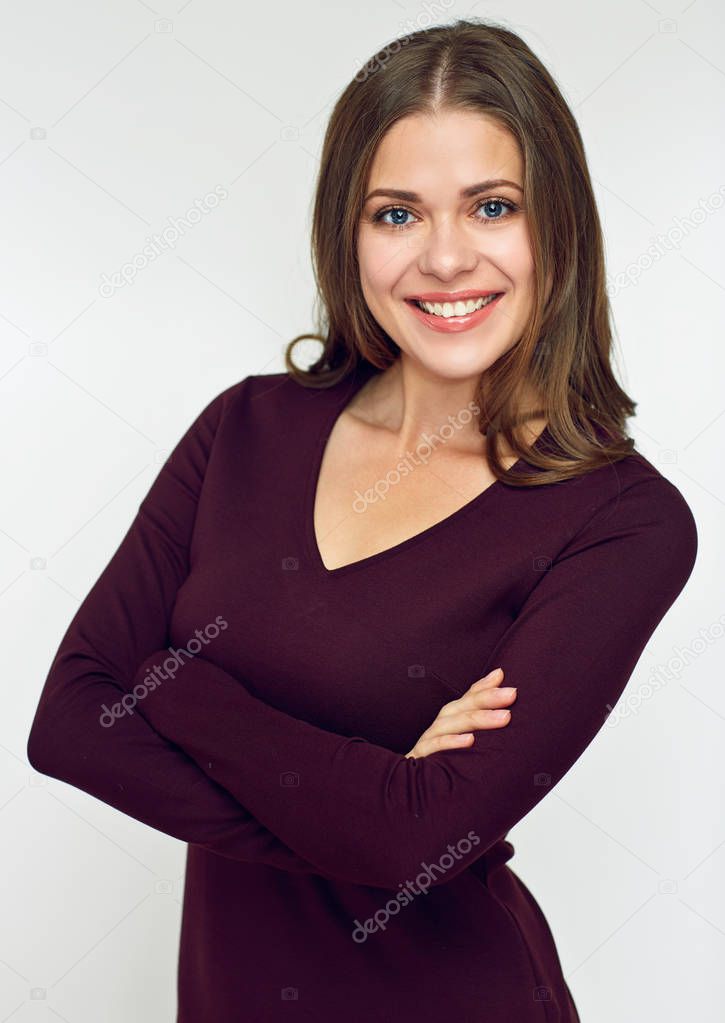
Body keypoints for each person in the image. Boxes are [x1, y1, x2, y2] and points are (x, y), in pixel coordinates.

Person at [27, 18, 698, 1022]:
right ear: (348, 230)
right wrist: (374, 807)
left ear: (555, 224)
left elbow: (420, 846)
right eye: (395, 214)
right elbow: (69, 725)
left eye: (490, 206)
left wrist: (175, 684)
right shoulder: (245, 429)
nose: (441, 257)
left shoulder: (620, 522)